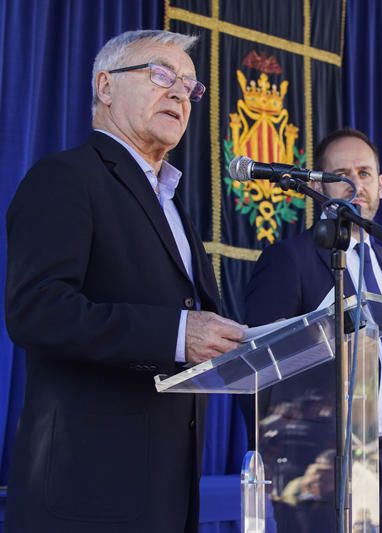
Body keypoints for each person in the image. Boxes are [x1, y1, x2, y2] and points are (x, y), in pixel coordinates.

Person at [4, 30, 246, 532]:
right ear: (105, 87)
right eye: (162, 75)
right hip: (88, 491)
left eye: (190, 86)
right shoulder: (67, 177)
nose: (181, 93)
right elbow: (38, 311)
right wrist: (178, 334)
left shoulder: (173, 200)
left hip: (168, 491)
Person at [244, 127, 382, 533]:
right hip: (316, 461)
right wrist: (279, 458)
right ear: (317, 186)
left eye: (365, 173)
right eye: (340, 175)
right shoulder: (289, 259)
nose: (355, 185)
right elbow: (259, 367)